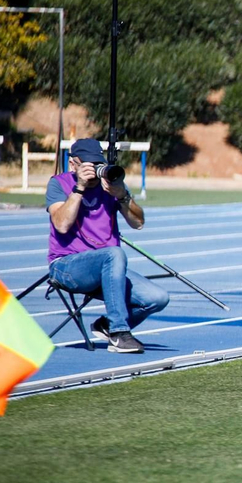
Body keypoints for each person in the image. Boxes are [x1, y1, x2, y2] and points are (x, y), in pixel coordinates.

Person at [46, 137, 169, 355]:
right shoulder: (59, 183)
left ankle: (106, 325)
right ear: (73, 164)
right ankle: (120, 333)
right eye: (88, 166)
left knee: (157, 298)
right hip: (68, 265)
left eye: (97, 165)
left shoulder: (110, 186)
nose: (94, 172)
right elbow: (62, 225)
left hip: (109, 268)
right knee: (114, 254)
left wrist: (122, 196)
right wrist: (80, 188)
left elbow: (138, 223)